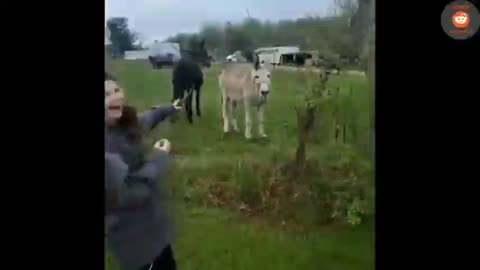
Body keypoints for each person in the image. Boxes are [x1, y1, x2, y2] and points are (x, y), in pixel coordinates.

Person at [105, 71, 181, 270]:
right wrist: (159, 157)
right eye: (106, 94)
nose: (115, 96)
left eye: (116, 90)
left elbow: (147, 118)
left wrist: (168, 109)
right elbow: (129, 192)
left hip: (153, 228)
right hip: (134, 238)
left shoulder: (124, 124)